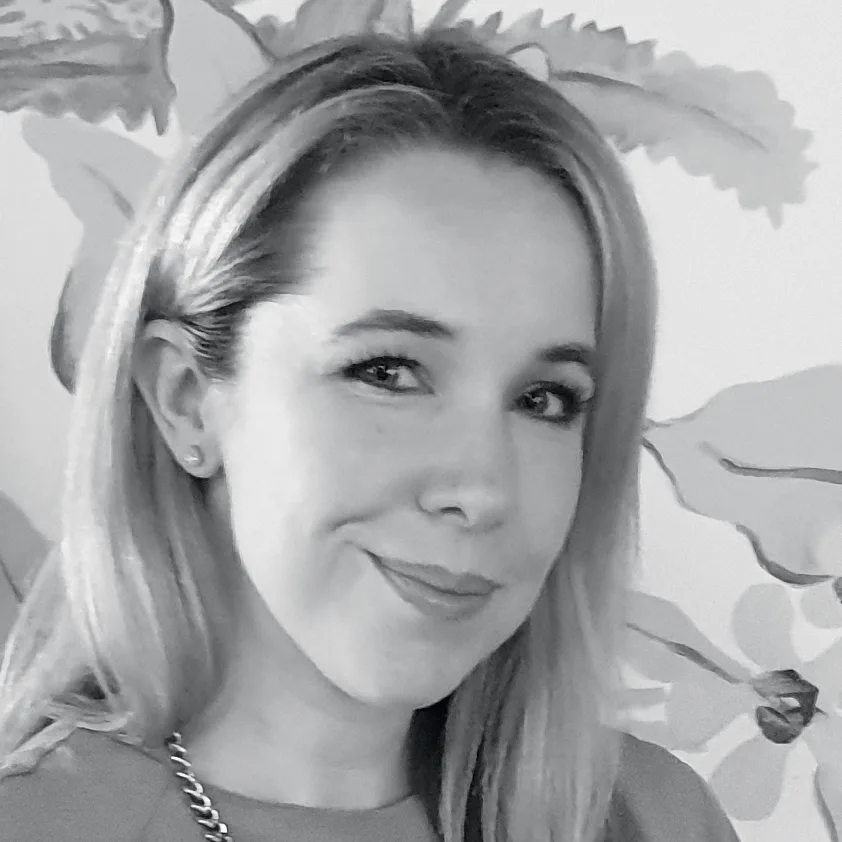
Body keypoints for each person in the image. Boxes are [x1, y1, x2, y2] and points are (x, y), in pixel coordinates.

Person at [0, 26, 740, 842]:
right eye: (387, 371)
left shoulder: (654, 817)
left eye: (543, 398)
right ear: (186, 400)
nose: (482, 489)